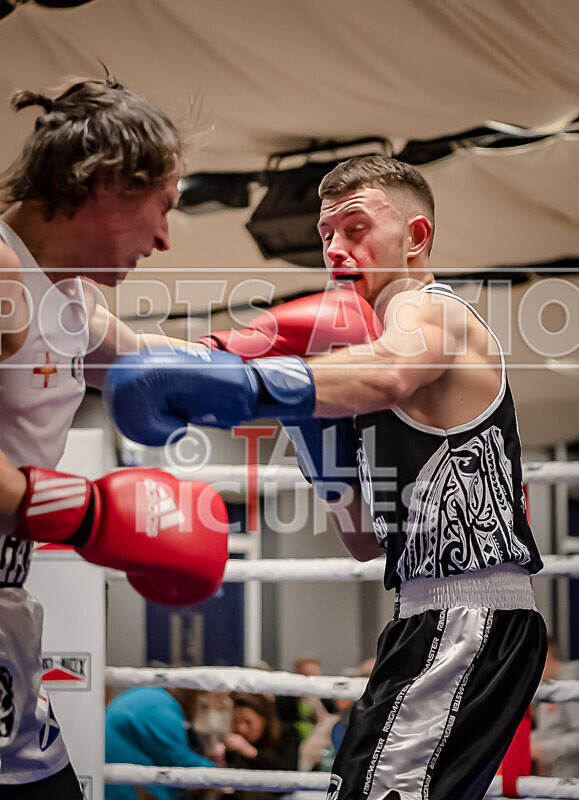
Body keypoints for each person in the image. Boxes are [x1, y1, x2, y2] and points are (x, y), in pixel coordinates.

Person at [105, 154, 548, 800]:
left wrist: (245, 384)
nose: (337, 248)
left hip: (468, 619)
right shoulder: (364, 366)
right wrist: (317, 440)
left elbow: (390, 371)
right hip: (427, 617)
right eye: (326, 235)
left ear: (416, 237)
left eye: (356, 227)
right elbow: (365, 538)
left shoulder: (430, 314)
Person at [0, 77, 229, 797]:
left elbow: (150, 368)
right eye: (162, 206)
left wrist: (290, 373)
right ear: (105, 183)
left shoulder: (69, 296)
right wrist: (86, 513)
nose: (164, 238)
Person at [105, 687, 216, 800]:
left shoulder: (155, 699)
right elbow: (176, 758)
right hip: (123, 786)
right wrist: (218, 774)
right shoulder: (160, 705)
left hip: (119, 779)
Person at [225, 692, 299, 800]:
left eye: (248, 722)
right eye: (236, 721)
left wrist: (253, 753)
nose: (241, 728)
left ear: (264, 720)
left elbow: (288, 770)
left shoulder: (288, 733)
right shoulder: (237, 738)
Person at [531, 636, 579, 777]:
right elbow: (551, 731)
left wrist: (540, 748)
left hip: (572, 783)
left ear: (544, 657)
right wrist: (520, 742)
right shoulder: (549, 684)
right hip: (556, 778)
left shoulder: (572, 679)